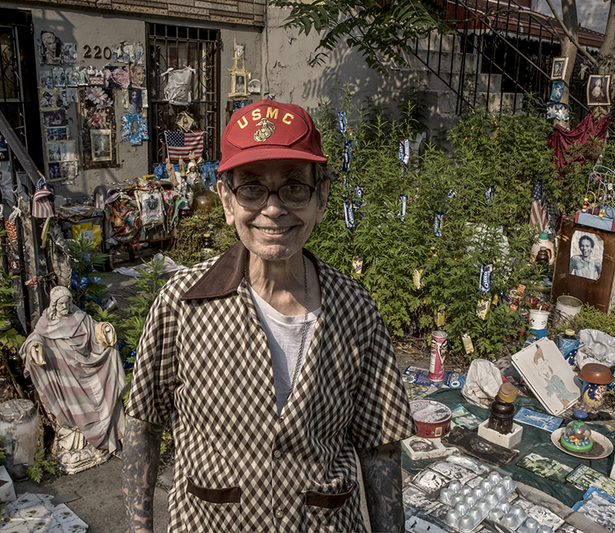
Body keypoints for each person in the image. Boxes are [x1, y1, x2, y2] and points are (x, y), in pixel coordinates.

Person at [123, 100, 417, 533]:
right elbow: (143, 425)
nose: (273, 209)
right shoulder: (182, 303)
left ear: (322, 197)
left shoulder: (355, 310)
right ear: (227, 200)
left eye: (295, 187)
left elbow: (380, 449)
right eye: (252, 188)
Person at [20, 286, 126, 454]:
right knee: (74, 408)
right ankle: (80, 440)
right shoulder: (46, 325)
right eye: (61, 304)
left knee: (105, 380)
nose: (65, 307)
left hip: (88, 370)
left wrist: (103, 329)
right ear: (54, 305)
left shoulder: (80, 317)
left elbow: (94, 328)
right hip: (66, 379)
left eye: (68, 303)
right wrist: (34, 347)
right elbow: (34, 339)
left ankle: (104, 436)